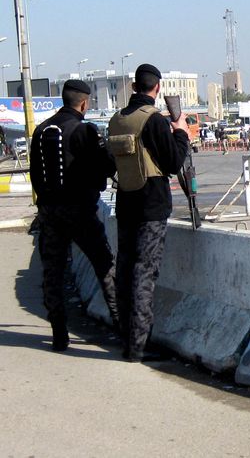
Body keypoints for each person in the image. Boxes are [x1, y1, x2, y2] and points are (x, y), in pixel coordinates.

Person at [30, 80, 119, 351]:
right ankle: (124, 329)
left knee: (53, 275)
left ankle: (59, 334)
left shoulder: (41, 130)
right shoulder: (84, 131)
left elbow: (35, 174)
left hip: (49, 213)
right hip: (81, 212)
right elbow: (107, 167)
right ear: (84, 103)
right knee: (105, 267)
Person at [108, 64, 189, 362]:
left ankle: (127, 339)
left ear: (133, 87)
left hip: (125, 202)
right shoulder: (153, 120)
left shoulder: (117, 120)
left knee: (125, 270)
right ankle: (139, 346)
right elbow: (173, 162)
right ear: (158, 88)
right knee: (144, 272)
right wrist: (181, 134)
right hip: (151, 205)